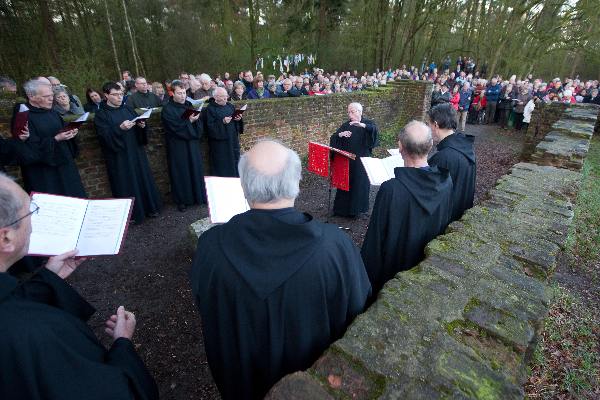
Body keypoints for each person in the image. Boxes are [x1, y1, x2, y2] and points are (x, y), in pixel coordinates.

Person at [190, 140, 371, 400]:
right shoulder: (336, 247)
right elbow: (358, 310)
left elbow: (206, 304)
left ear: (243, 186)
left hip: (241, 380)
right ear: (297, 183)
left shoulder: (210, 246)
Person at [0, 172, 158, 400]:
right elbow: (117, 392)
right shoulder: (40, 334)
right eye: (31, 212)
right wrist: (123, 344)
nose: (33, 223)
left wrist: (47, 279)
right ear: (6, 238)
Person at [361, 121, 453, 294]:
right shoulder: (445, 181)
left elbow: (376, 239)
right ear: (431, 144)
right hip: (429, 265)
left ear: (400, 147)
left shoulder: (391, 189)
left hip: (394, 273)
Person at [94, 82, 162, 223]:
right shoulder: (101, 115)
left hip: (135, 152)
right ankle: (133, 215)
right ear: (106, 95)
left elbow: (138, 128)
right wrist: (119, 128)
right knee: (126, 182)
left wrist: (141, 126)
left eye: (121, 94)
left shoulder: (128, 109)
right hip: (119, 156)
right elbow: (104, 136)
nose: (119, 98)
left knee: (142, 179)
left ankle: (149, 208)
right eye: (115, 95)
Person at [16, 79, 86, 197]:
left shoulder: (52, 112)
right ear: (31, 96)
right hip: (45, 174)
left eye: (52, 95)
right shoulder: (24, 116)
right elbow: (27, 148)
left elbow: (62, 130)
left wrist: (71, 133)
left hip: (65, 165)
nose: (51, 99)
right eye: (46, 96)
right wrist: (55, 139)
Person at [160, 81, 206, 211]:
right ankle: (183, 201)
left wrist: (196, 119)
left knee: (195, 168)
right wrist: (188, 121)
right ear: (172, 93)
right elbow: (173, 128)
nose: (182, 96)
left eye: (184, 93)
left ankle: (198, 196)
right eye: (179, 93)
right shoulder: (167, 110)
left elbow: (198, 124)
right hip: (177, 146)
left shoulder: (190, 105)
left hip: (192, 144)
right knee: (181, 172)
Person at [428, 104, 476, 223]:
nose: (428, 127)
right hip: (460, 213)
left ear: (435, 125)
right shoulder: (466, 147)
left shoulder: (443, 157)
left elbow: (430, 194)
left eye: (429, 124)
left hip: (445, 219)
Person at [329, 102, 379, 218]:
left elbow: (375, 132)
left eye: (352, 111)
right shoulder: (346, 125)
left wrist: (363, 126)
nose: (350, 114)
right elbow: (334, 137)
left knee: (359, 184)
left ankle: (357, 211)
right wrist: (340, 135)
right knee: (345, 184)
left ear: (360, 112)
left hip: (361, 161)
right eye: (348, 111)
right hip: (347, 160)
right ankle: (341, 210)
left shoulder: (368, 123)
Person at [205, 87, 244, 177]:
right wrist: (222, 122)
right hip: (220, 145)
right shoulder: (210, 109)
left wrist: (238, 119)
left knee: (235, 162)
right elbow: (210, 127)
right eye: (222, 97)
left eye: (226, 96)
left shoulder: (230, 106)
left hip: (232, 140)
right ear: (215, 97)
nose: (225, 98)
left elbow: (235, 120)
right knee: (223, 166)